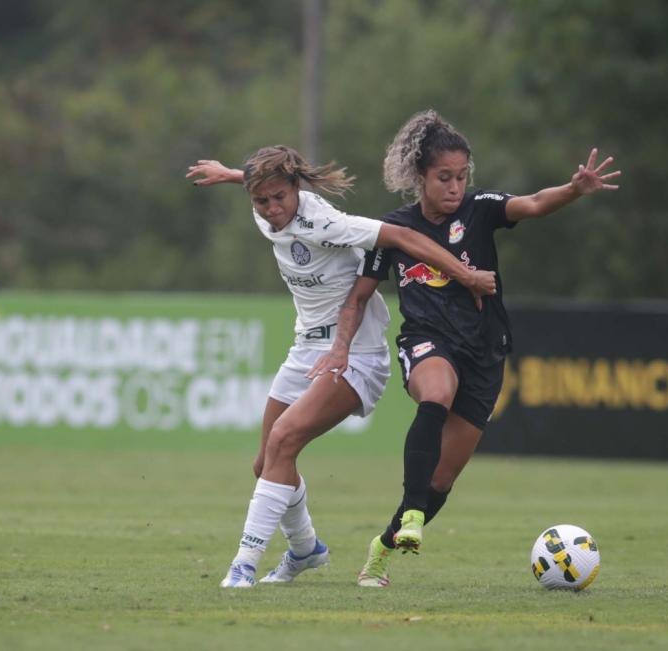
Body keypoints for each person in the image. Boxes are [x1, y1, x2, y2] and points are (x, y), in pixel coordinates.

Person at [307, 109, 621, 587]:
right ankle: (413, 514)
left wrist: (573, 189)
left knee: (441, 480)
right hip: (426, 340)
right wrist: (340, 348)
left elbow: (535, 203)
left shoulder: (480, 209)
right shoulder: (394, 230)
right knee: (436, 393)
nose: (455, 187)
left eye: (461, 176)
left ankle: (384, 545)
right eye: (444, 178)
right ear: (420, 177)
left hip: (484, 352)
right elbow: (358, 297)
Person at [185, 145, 496, 588]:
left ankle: (243, 565)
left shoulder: (326, 223)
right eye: (261, 200)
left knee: (284, 438)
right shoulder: (265, 207)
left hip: (355, 354)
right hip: (305, 349)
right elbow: (264, 183)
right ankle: (305, 550)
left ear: (296, 189)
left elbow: (404, 237)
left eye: (279, 198)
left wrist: (466, 276)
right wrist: (232, 173)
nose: (272, 209)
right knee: (266, 462)